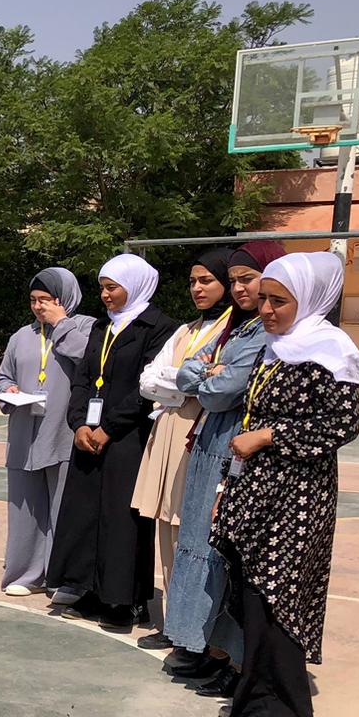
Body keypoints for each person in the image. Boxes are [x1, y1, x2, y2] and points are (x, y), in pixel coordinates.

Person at [211, 252, 359, 717]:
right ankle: (254, 695)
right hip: (257, 487)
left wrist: (270, 436)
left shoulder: (332, 351)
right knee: (256, 594)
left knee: (279, 597)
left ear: (311, 298)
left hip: (297, 495)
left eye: (280, 301)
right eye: (265, 300)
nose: (267, 310)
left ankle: (288, 710)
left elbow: (341, 424)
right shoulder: (280, 346)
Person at [162, 241, 288, 692]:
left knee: (223, 552)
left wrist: (211, 375)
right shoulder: (233, 328)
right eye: (233, 280)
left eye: (246, 279)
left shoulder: (265, 333)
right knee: (199, 542)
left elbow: (221, 390)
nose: (238, 288)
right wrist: (209, 372)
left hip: (233, 443)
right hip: (212, 438)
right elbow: (185, 373)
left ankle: (230, 656)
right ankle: (205, 646)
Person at [46, 254, 180, 629]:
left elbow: (146, 387)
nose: (104, 295)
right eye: (102, 288)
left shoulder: (158, 327)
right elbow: (83, 379)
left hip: (127, 438)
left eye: (112, 288)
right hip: (89, 436)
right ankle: (87, 588)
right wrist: (78, 424)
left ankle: (124, 600)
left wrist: (110, 428)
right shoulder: (101, 328)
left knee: (122, 519)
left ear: (134, 286)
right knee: (86, 513)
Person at [130, 249, 235, 646]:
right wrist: (185, 382)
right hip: (169, 431)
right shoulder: (186, 330)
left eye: (206, 280)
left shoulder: (232, 331)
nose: (197, 288)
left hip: (199, 434)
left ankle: (197, 627)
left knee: (191, 529)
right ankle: (173, 621)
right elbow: (148, 379)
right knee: (165, 525)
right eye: (192, 281)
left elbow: (210, 386)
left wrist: (176, 383)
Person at [0, 268, 96, 597]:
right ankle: (24, 574)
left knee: (63, 508)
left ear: (64, 299)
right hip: (25, 433)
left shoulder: (86, 327)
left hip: (63, 433)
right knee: (24, 508)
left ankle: (63, 578)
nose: (38, 308)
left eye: (46, 300)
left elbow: (90, 362)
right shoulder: (21, 336)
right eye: (33, 301)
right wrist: (7, 390)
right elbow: (2, 377)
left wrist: (60, 323)